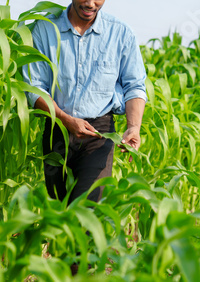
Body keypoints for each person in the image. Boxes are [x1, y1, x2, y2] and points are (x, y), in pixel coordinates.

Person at [23, 0, 147, 205]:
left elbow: (134, 86)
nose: (90, 3)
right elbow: (35, 86)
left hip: (98, 134)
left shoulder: (120, 33)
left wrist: (134, 127)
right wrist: (66, 119)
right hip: (57, 129)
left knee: (86, 209)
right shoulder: (45, 29)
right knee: (57, 212)